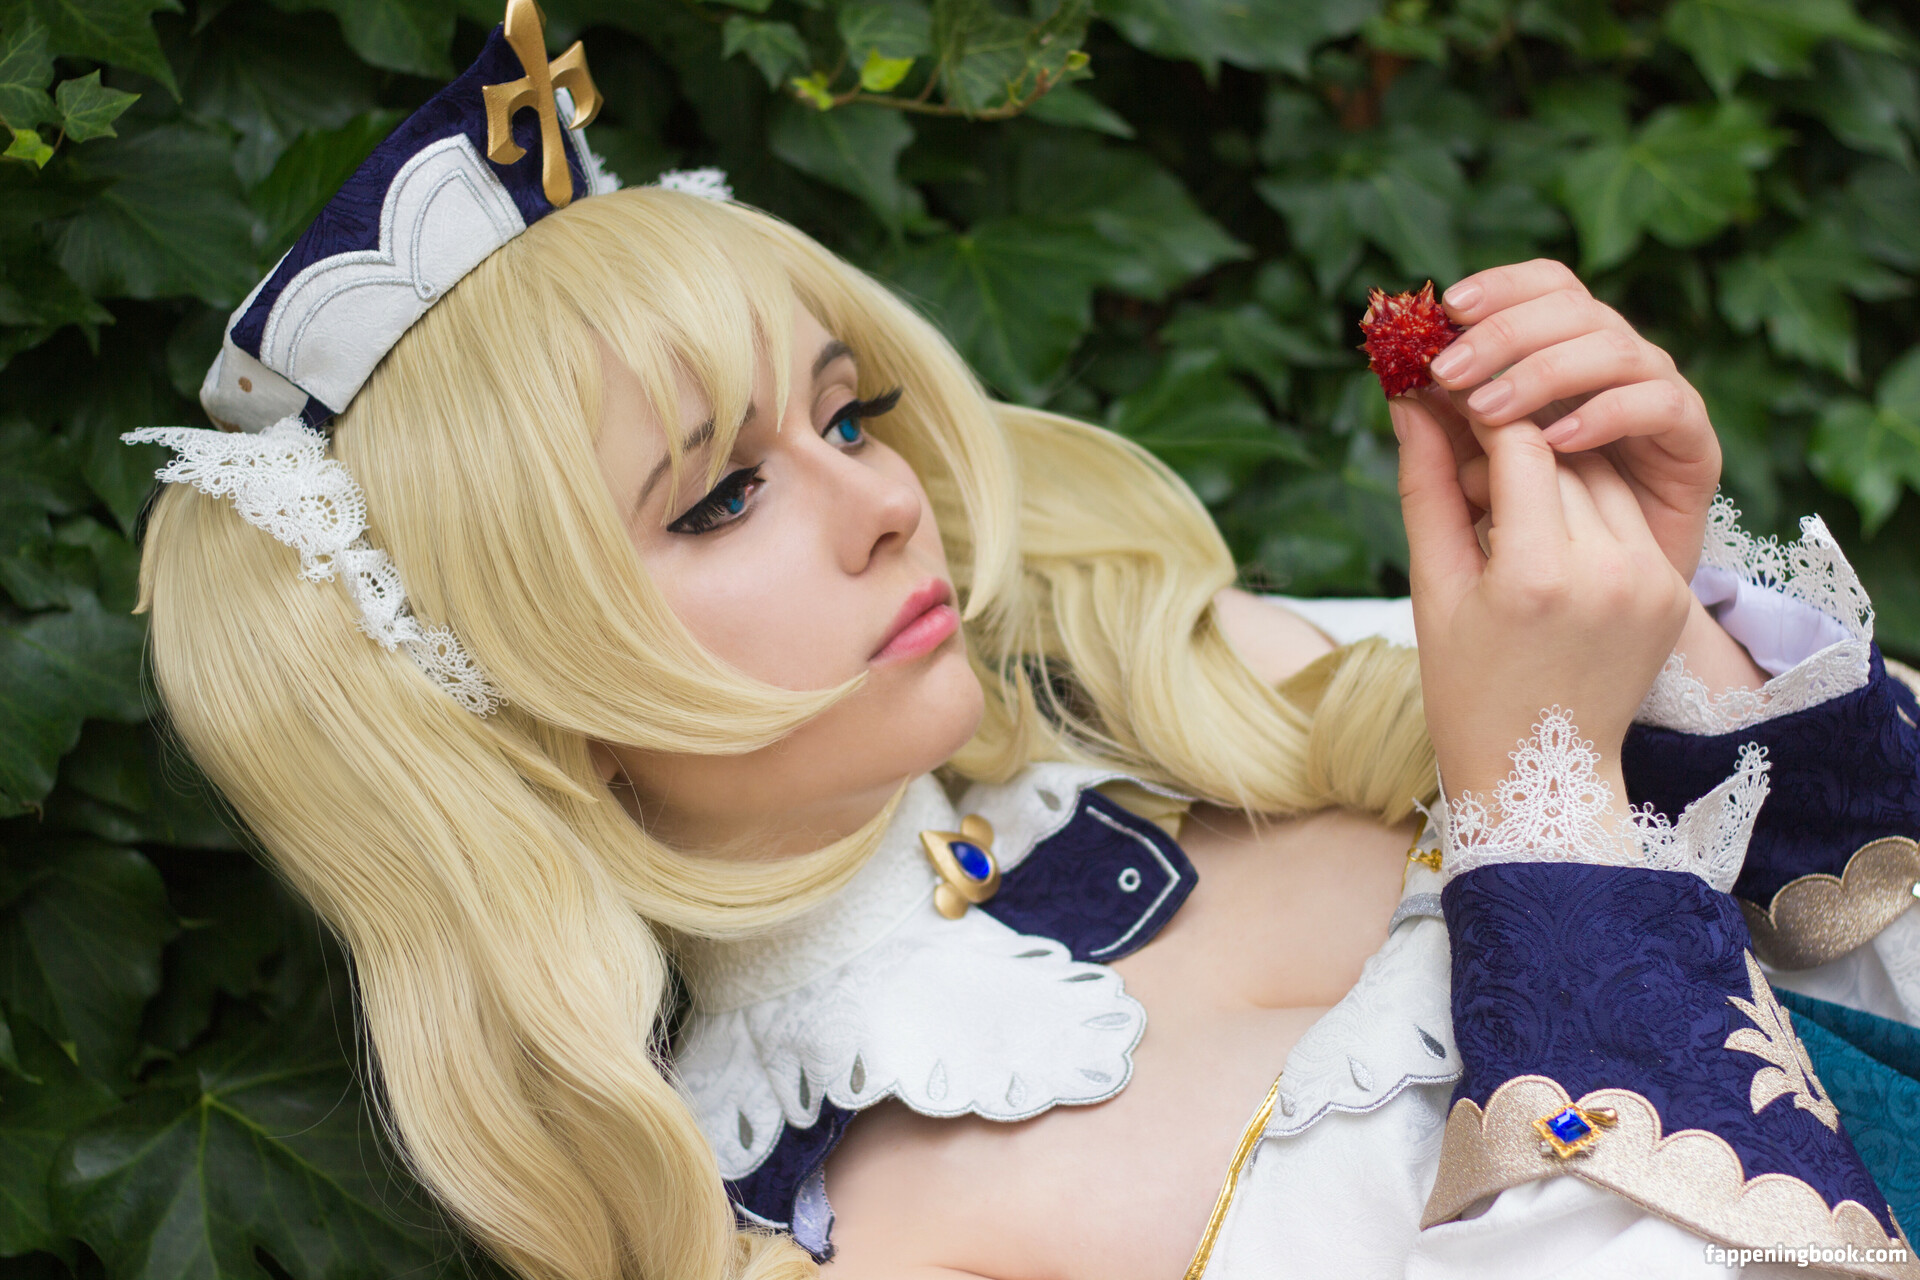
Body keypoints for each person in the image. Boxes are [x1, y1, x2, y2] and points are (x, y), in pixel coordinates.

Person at [128, 5, 1920, 1278]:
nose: (881, 500)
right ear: (519, 704)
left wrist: (1664, 625)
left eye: (845, 414)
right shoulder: (870, 1241)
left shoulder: (1188, 690)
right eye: (718, 498)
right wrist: (1539, 793)